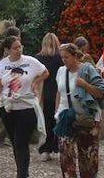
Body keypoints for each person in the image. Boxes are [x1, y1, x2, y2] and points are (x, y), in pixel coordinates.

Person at [0, 34, 49, 178]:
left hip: (26, 108)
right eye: (15, 48)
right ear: (8, 50)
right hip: (8, 108)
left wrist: (36, 82)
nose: (19, 50)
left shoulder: (31, 61)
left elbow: (46, 72)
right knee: (15, 142)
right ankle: (23, 171)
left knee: (21, 142)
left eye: (20, 47)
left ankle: (21, 174)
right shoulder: (1, 65)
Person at [56, 43, 104, 178]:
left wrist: (84, 85)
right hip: (66, 118)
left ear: (75, 56)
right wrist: (57, 113)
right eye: (62, 57)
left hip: (86, 118)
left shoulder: (87, 70)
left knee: (88, 159)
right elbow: (59, 92)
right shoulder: (61, 71)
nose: (64, 60)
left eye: (67, 57)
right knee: (66, 157)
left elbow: (101, 92)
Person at [36, 33, 63, 161]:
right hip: (57, 92)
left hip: (43, 94)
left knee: (45, 122)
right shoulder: (60, 59)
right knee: (57, 121)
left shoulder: (38, 58)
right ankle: (56, 148)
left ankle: (45, 149)